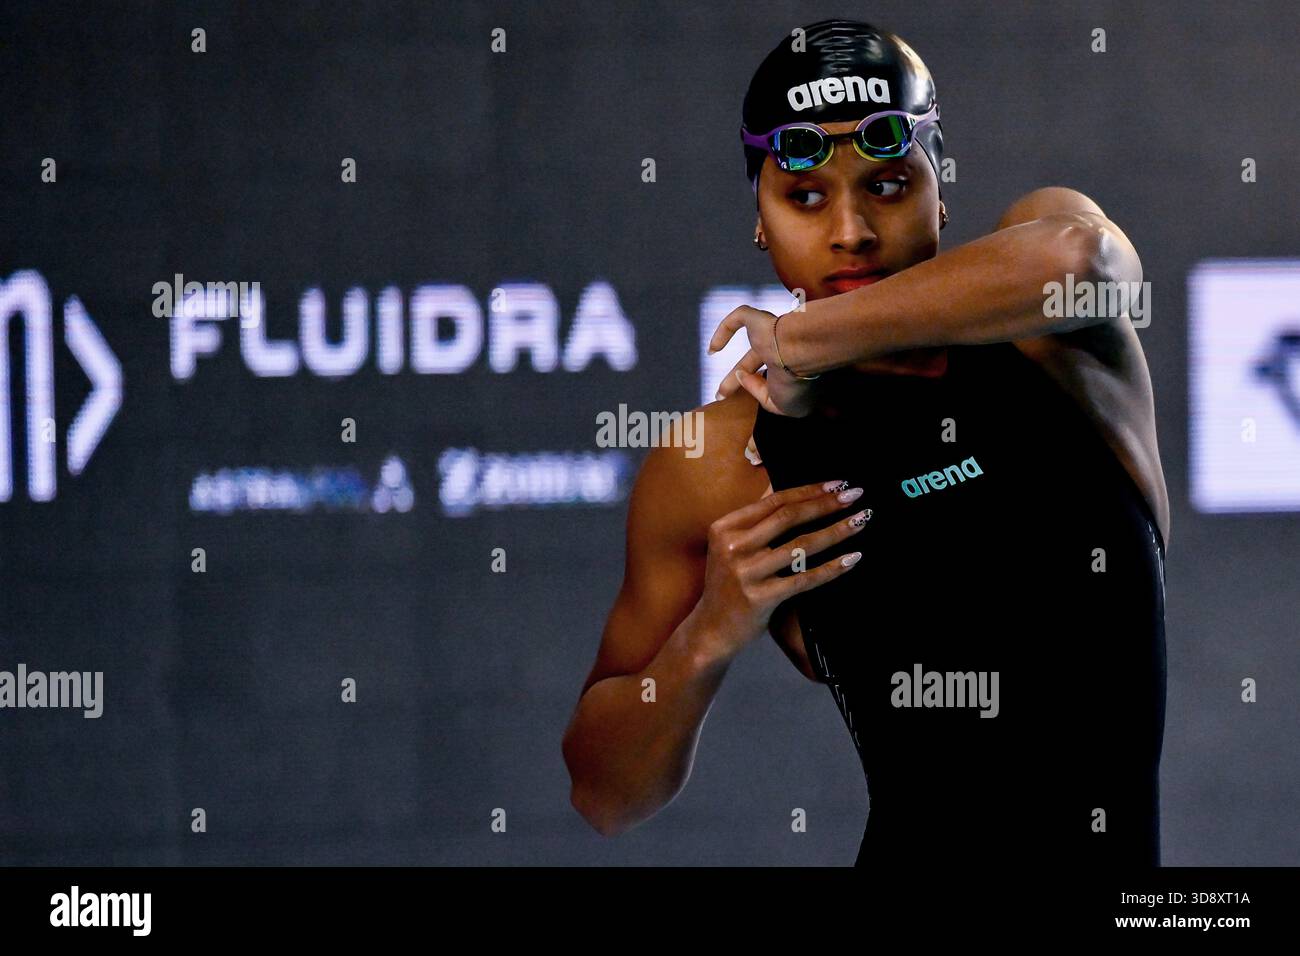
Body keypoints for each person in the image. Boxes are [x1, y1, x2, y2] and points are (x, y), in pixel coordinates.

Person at [562, 18, 1169, 868]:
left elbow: (1086, 261)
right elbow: (603, 795)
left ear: (938, 189)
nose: (851, 231)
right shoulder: (721, 460)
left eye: (887, 185)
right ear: (760, 220)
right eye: (806, 198)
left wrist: (802, 339)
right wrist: (711, 629)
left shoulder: (1055, 343)